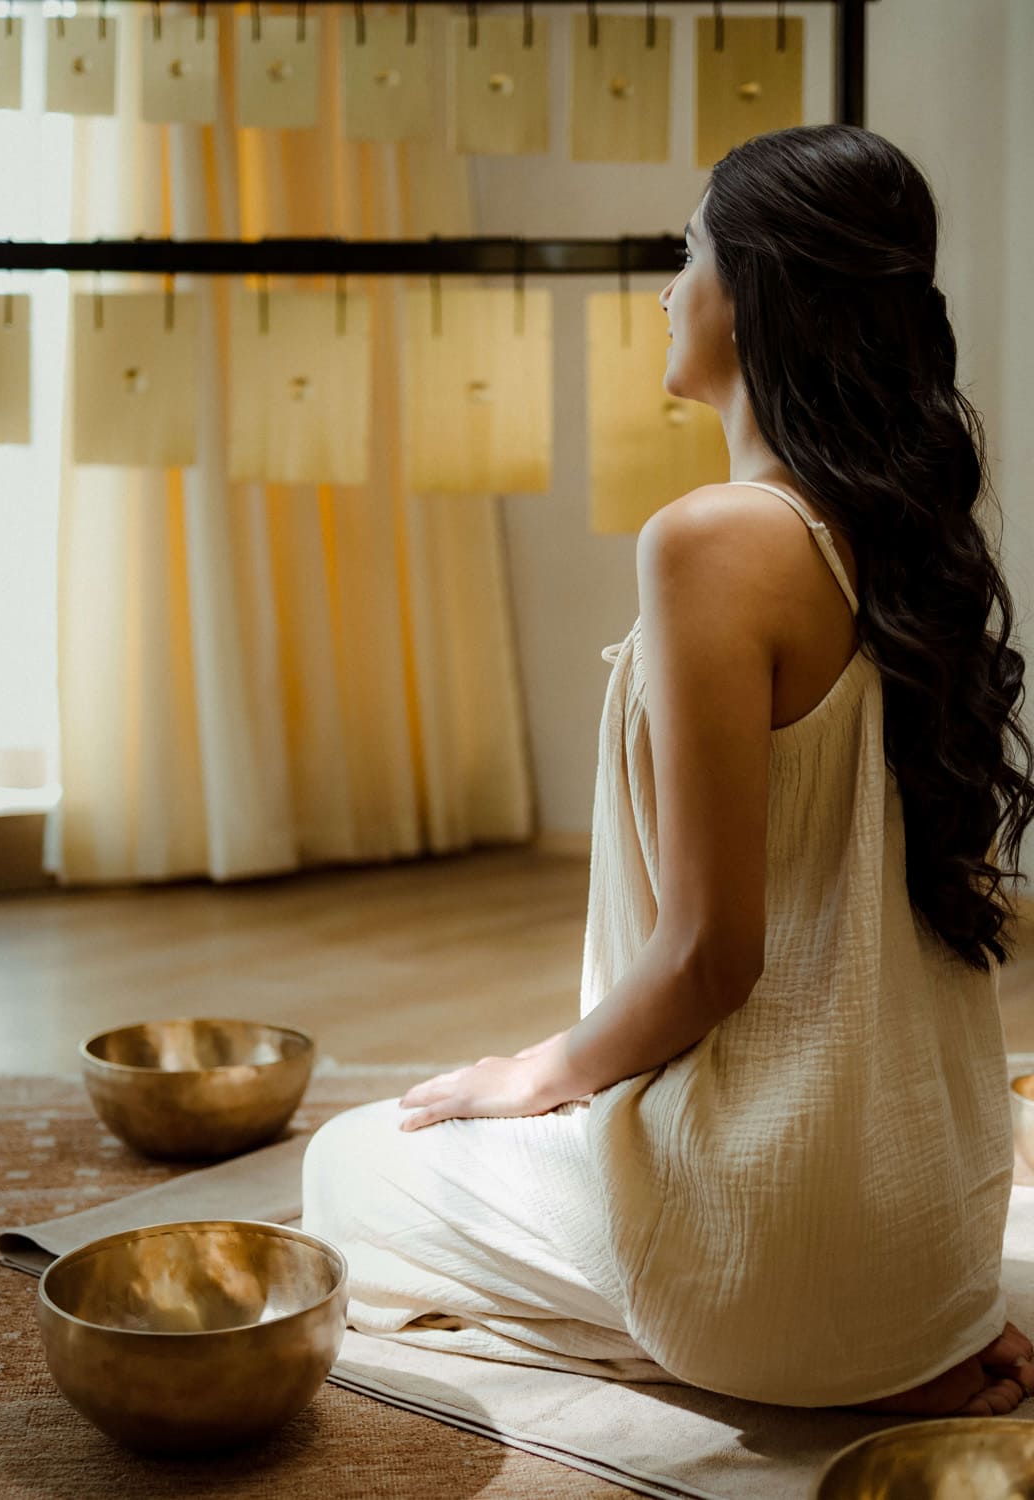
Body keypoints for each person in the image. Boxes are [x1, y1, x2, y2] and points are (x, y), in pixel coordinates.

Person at [301, 123, 1034, 1415]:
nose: (663, 290)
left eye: (687, 254)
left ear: (752, 294)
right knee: (490, 1138)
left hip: (777, 1232)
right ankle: (873, 1337)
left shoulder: (715, 541)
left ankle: (741, 1346)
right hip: (936, 1231)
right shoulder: (905, 532)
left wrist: (532, 1076)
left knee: (351, 1166)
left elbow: (709, 960)